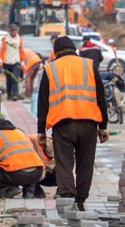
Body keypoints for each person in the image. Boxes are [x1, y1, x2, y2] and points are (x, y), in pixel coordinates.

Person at [34, 33, 110, 210]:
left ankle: (67, 197)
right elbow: (101, 97)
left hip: (63, 124)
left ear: (56, 52)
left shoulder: (50, 69)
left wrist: (41, 132)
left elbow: (43, 102)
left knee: (64, 163)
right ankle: (81, 200)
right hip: (88, 123)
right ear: (75, 50)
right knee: (85, 163)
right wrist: (103, 126)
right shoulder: (88, 65)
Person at [0, 114, 46, 205]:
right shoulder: (19, 132)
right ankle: (29, 192)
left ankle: (10, 187)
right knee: (28, 166)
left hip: (16, 175)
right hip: (37, 173)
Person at [2, 25, 23, 99]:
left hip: (16, 62)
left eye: (15, 30)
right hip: (6, 62)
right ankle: (9, 94)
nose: (13, 32)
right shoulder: (5, 39)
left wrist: (22, 61)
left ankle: (15, 95)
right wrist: (0, 60)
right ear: (9, 31)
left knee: (15, 78)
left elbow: (21, 50)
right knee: (9, 80)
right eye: (12, 30)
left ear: (17, 30)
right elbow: (1, 50)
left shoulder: (19, 39)